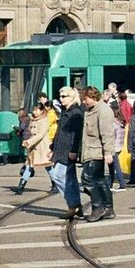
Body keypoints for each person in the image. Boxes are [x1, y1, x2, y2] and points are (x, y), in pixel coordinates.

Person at [80, 86, 116, 222]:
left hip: (96, 151)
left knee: (88, 179)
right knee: (99, 180)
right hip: (90, 150)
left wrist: (108, 152)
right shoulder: (90, 110)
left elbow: (107, 133)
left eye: (86, 99)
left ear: (93, 97)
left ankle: (98, 207)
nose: (84, 102)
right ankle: (108, 208)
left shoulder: (103, 110)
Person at [51, 87, 85, 219]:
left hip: (67, 151)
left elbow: (77, 134)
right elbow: (60, 132)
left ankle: (73, 204)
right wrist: (52, 148)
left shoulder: (75, 113)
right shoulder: (66, 111)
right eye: (60, 96)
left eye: (64, 96)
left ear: (72, 97)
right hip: (61, 149)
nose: (61, 99)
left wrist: (74, 150)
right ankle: (76, 206)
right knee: (70, 179)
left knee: (58, 176)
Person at [15, 105, 53, 195]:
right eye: (33, 110)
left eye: (36, 110)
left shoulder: (45, 120)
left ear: (41, 111)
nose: (34, 112)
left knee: (48, 166)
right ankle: (21, 186)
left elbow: (40, 134)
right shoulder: (33, 120)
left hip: (42, 147)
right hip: (34, 148)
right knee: (29, 166)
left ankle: (55, 184)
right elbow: (30, 132)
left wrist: (29, 142)